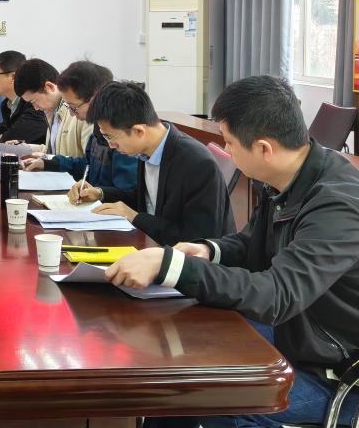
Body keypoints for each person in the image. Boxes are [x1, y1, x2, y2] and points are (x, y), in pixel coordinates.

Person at [106, 76, 359, 428]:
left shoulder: (337, 205)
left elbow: (276, 295)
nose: (226, 151)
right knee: (175, 354)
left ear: (264, 148)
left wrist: (174, 266)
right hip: (295, 335)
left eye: (229, 142)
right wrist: (208, 251)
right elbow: (250, 243)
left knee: (204, 394)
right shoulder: (289, 177)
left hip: (332, 374)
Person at [74, 80, 234, 245]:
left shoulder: (197, 164)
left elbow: (197, 239)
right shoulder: (147, 150)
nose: (111, 146)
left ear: (139, 131)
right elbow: (145, 199)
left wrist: (135, 217)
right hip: (155, 246)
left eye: (110, 137)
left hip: (185, 255)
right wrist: (100, 193)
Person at [20, 61, 137, 193]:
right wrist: (47, 163)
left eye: (74, 107)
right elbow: (86, 164)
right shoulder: (97, 130)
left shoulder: (122, 131)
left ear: (95, 98)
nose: (71, 114)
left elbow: (129, 193)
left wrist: (99, 193)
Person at [15, 58, 92, 158]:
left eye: (34, 101)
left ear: (49, 87)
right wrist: (25, 148)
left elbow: (89, 161)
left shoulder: (81, 112)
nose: (36, 108)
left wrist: (48, 159)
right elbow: (55, 150)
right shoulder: (53, 111)